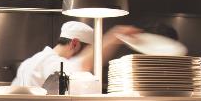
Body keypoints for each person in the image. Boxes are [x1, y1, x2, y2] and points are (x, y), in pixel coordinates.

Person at [12, 21, 140, 87]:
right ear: (74, 43)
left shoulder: (30, 62)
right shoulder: (50, 62)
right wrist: (115, 35)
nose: (88, 55)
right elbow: (82, 65)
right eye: (88, 51)